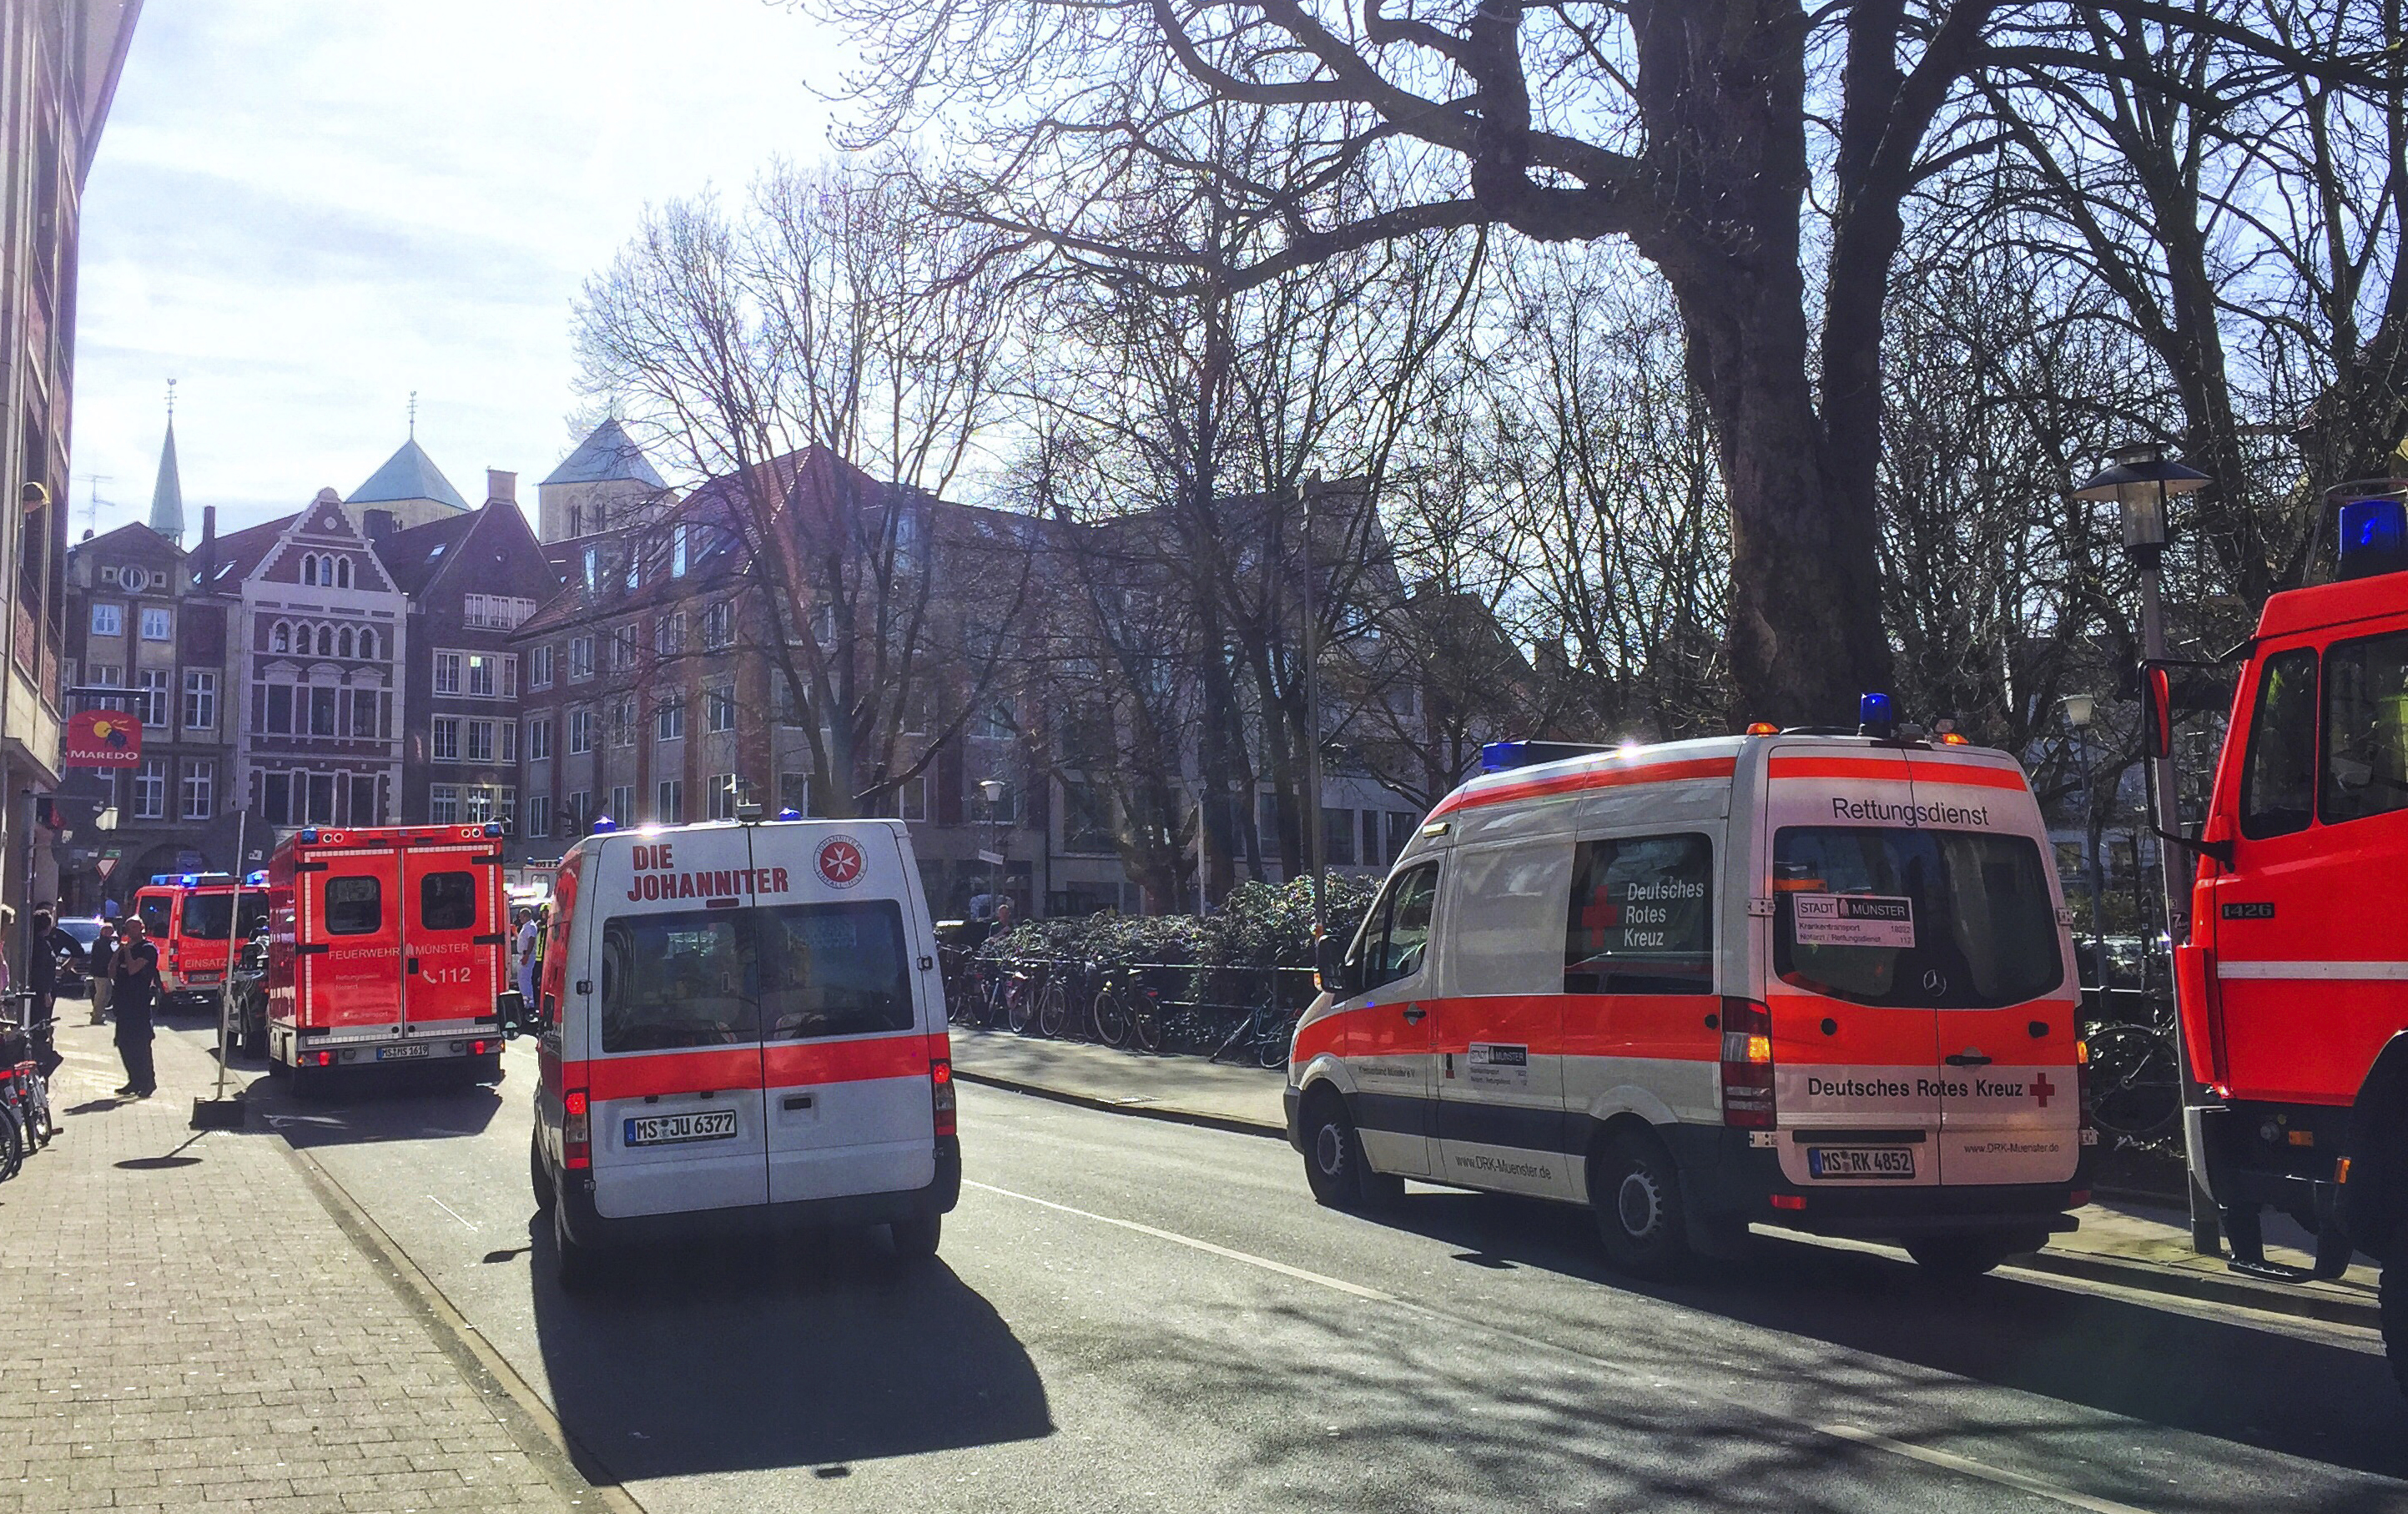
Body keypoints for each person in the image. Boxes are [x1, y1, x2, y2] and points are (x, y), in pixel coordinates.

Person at [110, 917, 162, 1098]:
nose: (130, 931)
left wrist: (128, 953)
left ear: (142, 928)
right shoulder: (126, 948)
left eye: (134, 927)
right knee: (124, 1043)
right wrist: (118, 953)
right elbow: (111, 972)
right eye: (127, 928)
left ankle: (148, 1082)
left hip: (139, 1004)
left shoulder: (148, 949)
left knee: (141, 1045)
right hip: (123, 1004)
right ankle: (134, 1080)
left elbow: (133, 969)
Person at [24, 908, 77, 1075]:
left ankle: (41, 1060)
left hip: (41, 990)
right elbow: (42, 970)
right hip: (41, 992)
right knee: (40, 1026)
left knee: (40, 1026)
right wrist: (46, 992)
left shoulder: (37, 942)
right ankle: (42, 1063)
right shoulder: (42, 945)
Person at [88, 920, 117, 1025]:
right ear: (103, 931)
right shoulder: (100, 942)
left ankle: (98, 1012)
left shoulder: (110, 941)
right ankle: (96, 1017)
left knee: (108, 994)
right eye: (108, 931)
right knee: (101, 995)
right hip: (100, 972)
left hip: (106, 973)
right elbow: (106, 956)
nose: (110, 933)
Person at [515, 908, 540, 1005]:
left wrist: (527, 956)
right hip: (523, 954)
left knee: (525, 979)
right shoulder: (526, 926)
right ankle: (525, 1000)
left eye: (521, 917)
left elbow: (531, 940)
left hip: (527, 955)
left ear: (525, 916)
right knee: (522, 979)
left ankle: (529, 1002)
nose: (520, 919)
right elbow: (523, 941)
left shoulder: (531, 926)